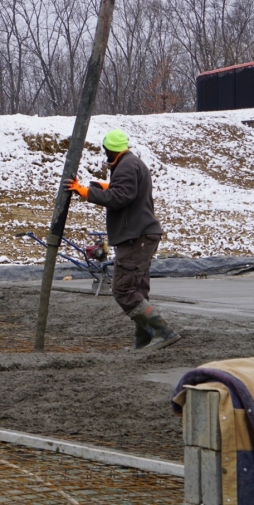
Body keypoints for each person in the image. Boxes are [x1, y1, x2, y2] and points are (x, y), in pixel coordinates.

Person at [67, 129, 181, 350]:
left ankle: (163, 332)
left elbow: (122, 196)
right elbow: (127, 191)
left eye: (105, 151)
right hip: (140, 235)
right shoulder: (131, 164)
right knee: (137, 289)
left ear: (109, 150)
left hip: (136, 236)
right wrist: (103, 186)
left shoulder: (127, 165)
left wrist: (85, 192)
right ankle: (145, 340)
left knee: (123, 289)